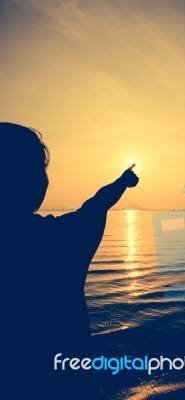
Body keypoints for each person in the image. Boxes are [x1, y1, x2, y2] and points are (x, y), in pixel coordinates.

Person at [0, 122, 139, 398]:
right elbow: (97, 205)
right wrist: (123, 182)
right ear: (30, 182)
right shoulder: (59, 240)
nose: (44, 177)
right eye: (39, 169)